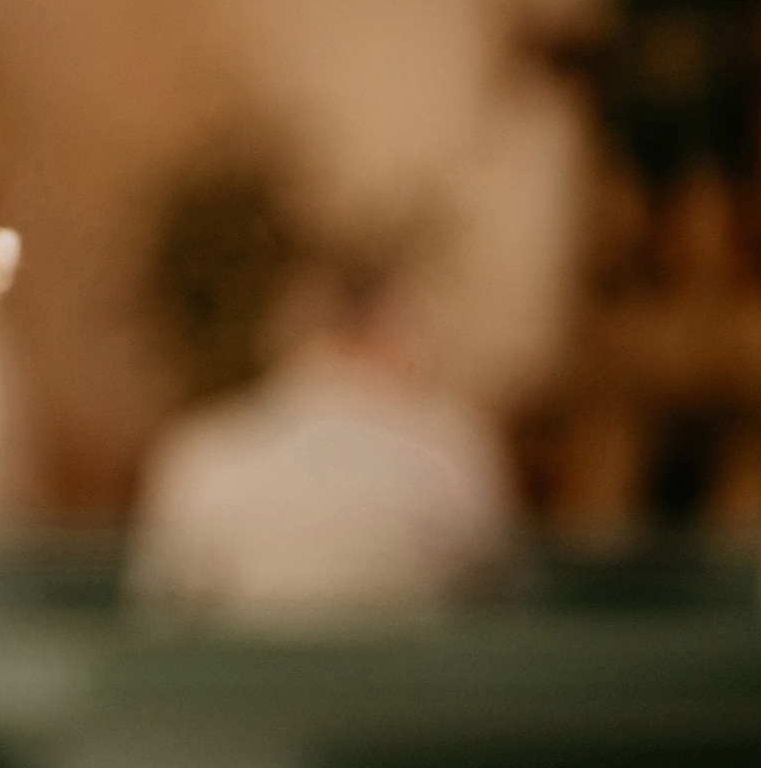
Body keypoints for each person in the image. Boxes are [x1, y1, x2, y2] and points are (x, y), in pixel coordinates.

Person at [126, 248, 513, 619]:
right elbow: (495, 592)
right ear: (387, 330)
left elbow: (165, 603)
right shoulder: (449, 441)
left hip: (249, 680)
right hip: (416, 683)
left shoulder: (204, 446)